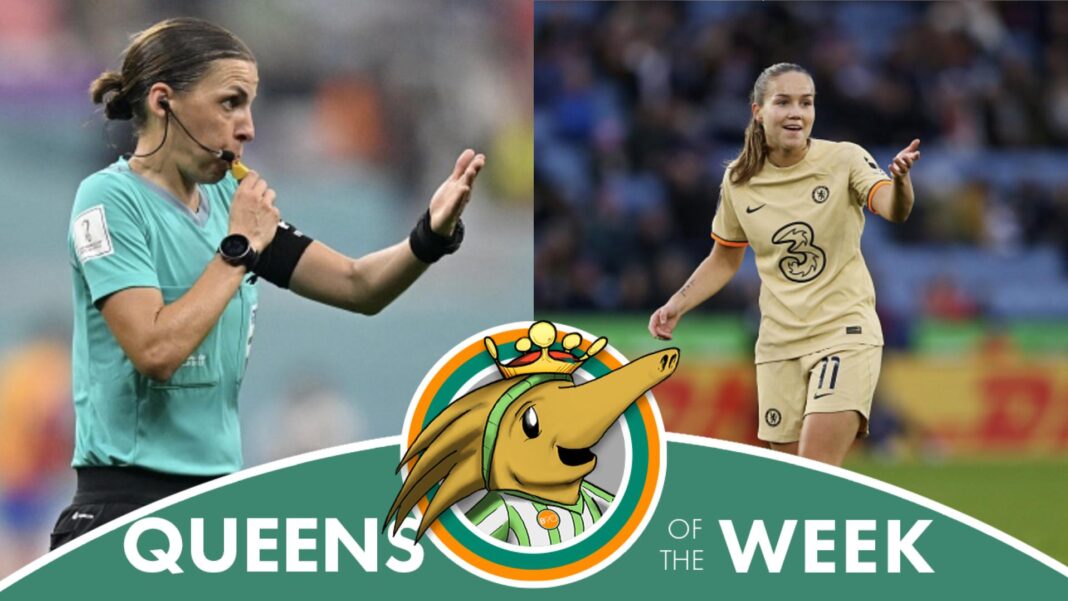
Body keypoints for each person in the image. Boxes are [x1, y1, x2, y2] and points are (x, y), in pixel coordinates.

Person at [52, 17, 485, 549]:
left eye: (250, 104)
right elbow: (155, 349)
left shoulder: (230, 211)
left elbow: (358, 285)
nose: (248, 127)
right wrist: (238, 250)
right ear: (164, 102)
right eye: (230, 102)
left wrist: (429, 236)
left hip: (217, 517)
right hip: (122, 518)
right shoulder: (108, 200)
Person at [648, 63, 920, 467]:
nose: (797, 112)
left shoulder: (844, 159)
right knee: (797, 488)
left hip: (843, 331)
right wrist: (678, 303)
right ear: (758, 111)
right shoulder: (739, 180)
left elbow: (893, 209)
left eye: (806, 103)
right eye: (784, 102)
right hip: (778, 344)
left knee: (816, 473)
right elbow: (724, 259)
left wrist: (899, 181)